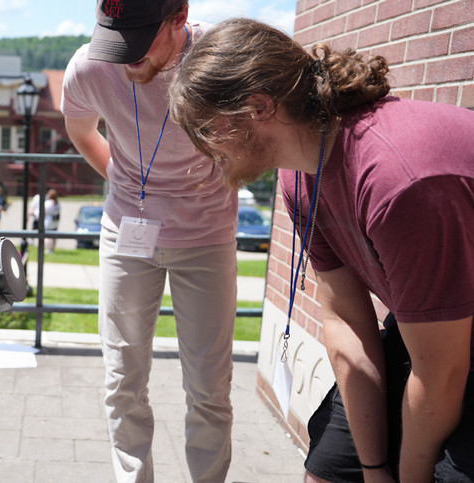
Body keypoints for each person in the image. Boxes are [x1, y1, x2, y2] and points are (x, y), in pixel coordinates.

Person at [168, 17, 474, 481]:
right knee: (327, 472)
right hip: (437, 327)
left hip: (451, 340)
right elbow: (346, 320)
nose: (204, 151)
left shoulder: (397, 179)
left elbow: (444, 374)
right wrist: (372, 468)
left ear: (257, 108)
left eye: (207, 132)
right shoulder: (299, 174)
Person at [61, 1, 239, 480]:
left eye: (139, 42)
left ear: (178, 17)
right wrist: (127, 183)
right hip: (127, 230)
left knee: (208, 387)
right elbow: (81, 130)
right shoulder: (90, 67)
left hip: (207, 235)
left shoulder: (221, 60)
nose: (126, 57)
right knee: (122, 379)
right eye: (116, 41)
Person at [43, 188, 60, 253]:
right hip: (55, 221)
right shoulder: (57, 203)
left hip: (49, 221)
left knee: (47, 236)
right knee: (54, 236)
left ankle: (49, 249)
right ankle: (52, 249)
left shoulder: (48, 203)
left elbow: (44, 211)